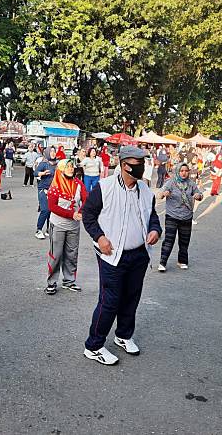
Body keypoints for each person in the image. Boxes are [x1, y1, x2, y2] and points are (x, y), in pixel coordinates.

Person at [82, 146, 161, 365]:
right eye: (138, 163)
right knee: (110, 301)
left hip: (139, 255)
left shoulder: (145, 189)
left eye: (143, 163)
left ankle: (123, 335)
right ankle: (94, 345)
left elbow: (152, 215)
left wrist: (155, 230)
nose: (142, 167)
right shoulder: (104, 187)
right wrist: (100, 237)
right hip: (112, 254)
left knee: (131, 297)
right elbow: (88, 216)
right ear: (124, 164)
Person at [45, 159, 87, 295]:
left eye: (72, 166)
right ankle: (51, 283)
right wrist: (71, 214)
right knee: (56, 254)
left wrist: (80, 212)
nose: (71, 169)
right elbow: (52, 207)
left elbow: (86, 199)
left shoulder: (78, 184)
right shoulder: (55, 186)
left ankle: (69, 281)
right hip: (58, 224)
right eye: (67, 166)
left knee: (72, 254)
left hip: (74, 226)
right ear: (61, 169)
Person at [157, 163, 203, 271]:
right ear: (178, 171)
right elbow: (159, 195)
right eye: (182, 171)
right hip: (172, 215)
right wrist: (164, 193)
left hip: (186, 216)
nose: (184, 173)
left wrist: (198, 196)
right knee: (169, 240)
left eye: (186, 171)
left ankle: (182, 261)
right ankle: (162, 263)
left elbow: (199, 195)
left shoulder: (191, 184)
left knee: (184, 241)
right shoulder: (171, 182)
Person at [34, 147, 58, 239]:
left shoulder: (57, 164)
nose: (53, 153)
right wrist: (42, 173)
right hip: (43, 189)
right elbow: (35, 173)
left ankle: (49, 230)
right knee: (45, 209)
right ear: (47, 152)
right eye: (51, 151)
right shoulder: (44, 163)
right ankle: (38, 230)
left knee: (52, 211)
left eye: (54, 151)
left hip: (54, 190)